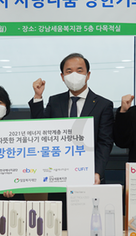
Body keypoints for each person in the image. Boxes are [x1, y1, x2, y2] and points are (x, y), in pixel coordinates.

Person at [28, 52, 115, 184]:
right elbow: (39, 131)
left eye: (79, 71)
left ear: (88, 75)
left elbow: (105, 142)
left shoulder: (103, 105)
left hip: (89, 175)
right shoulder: (55, 101)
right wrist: (38, 97)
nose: (74, 75)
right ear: (62, 77)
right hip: (57, 174)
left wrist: (97, 172)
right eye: (69, 71)